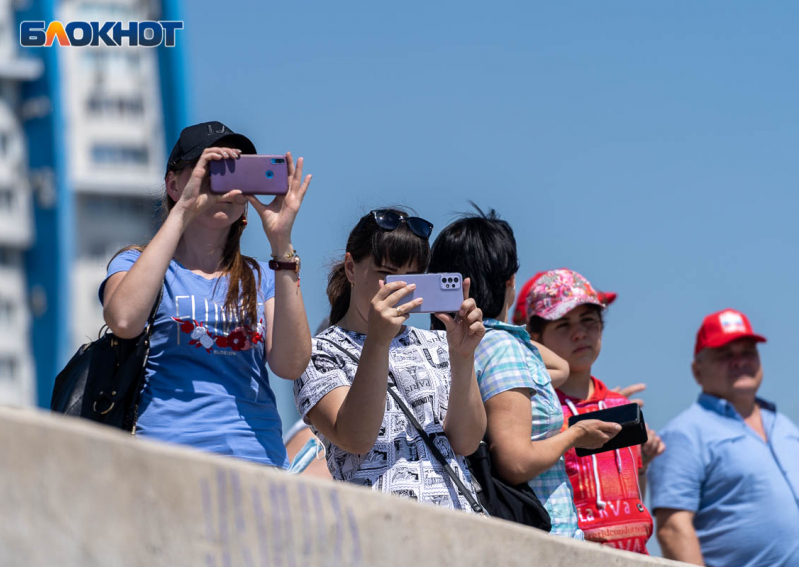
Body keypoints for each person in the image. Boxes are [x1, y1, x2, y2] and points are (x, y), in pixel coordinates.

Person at [99, 121, 313, 467]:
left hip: (256, 460)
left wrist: (281, 243)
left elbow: (291, 365)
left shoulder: (265, 277)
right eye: (212, 170)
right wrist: (184, 209)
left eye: (235, 173)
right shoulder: (137, 263)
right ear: (173, 183)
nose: (224, 184)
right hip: (168, 458)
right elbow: (123, 319)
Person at [427, 206, 622, 537]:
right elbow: (515, 462)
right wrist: (575, 435)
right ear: (509, 282)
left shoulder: (454, 345)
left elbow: (558, 368)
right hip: (542, 533)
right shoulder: (503, 349)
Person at [293, 208, 487, 512]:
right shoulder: (319, 352)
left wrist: (463, 358)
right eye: (386, 274)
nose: (399, 289)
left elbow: (466, 443)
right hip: (377, 531)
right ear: (351, 268)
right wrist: (378, 340)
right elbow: (355, 437)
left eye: (411, 278)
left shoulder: (439, 343)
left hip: (458, 530)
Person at [649, 308, 799, 566]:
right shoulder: (685, 433)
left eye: (748, 351)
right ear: (697, 371)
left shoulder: (787, 428)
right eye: (724, 353)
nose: (739, 360)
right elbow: (673, 528)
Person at [525, 268, 664, 553]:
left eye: (589, 321)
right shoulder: (539, 410)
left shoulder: (619, 405)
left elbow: (633, 496)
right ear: (535, 336)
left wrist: (644, 462)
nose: (579, 334)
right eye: (563, 324)